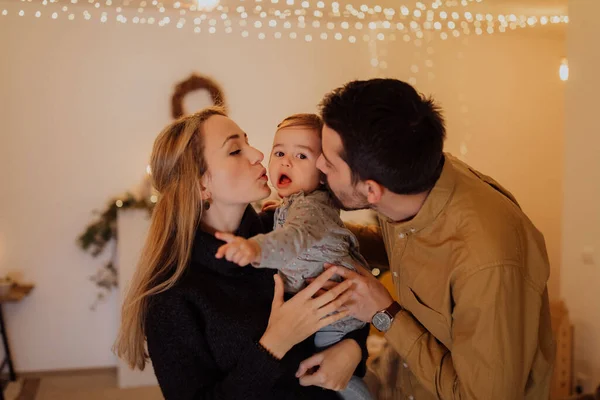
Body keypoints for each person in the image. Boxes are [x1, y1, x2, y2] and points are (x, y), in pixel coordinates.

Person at [314, 78, 555, 400]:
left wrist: (384, 312)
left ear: (371, 190)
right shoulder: (414, 180)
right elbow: (414, 248)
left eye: (329, 163)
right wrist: (318, 233)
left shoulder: (485, 260)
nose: (318, 164)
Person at [113, 107, 370, 400]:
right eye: (236, 150)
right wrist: (274, 344)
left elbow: (344, 295)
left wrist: (352, 350)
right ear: (201, 184)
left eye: (248, 141)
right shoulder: (171, 296)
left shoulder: (286, 235)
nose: (259, 153)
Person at [214, 113, 373, 400]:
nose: (284, 161)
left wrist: (256, 249)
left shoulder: (309, 210)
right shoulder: (289, 209)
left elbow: (295, 237)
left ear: (324, 172)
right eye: (280, 152)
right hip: (332, 304)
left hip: (335, 306)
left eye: (301, 156)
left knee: (326, 370)